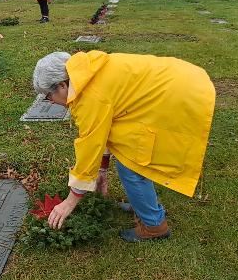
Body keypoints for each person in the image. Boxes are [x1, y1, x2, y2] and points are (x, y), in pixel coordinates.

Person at [31, 51, 216, 242]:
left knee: (133, 165)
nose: (50, 101)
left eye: (48, 96)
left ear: (62, 85)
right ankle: (144, 206)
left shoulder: (90, 96)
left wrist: (70, 202)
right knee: (129, 152)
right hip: (178, 82)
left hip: (177, 95)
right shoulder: (86, 71)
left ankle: (154, 226)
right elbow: (105, 130)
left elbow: (90, 145)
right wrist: (102, 169)